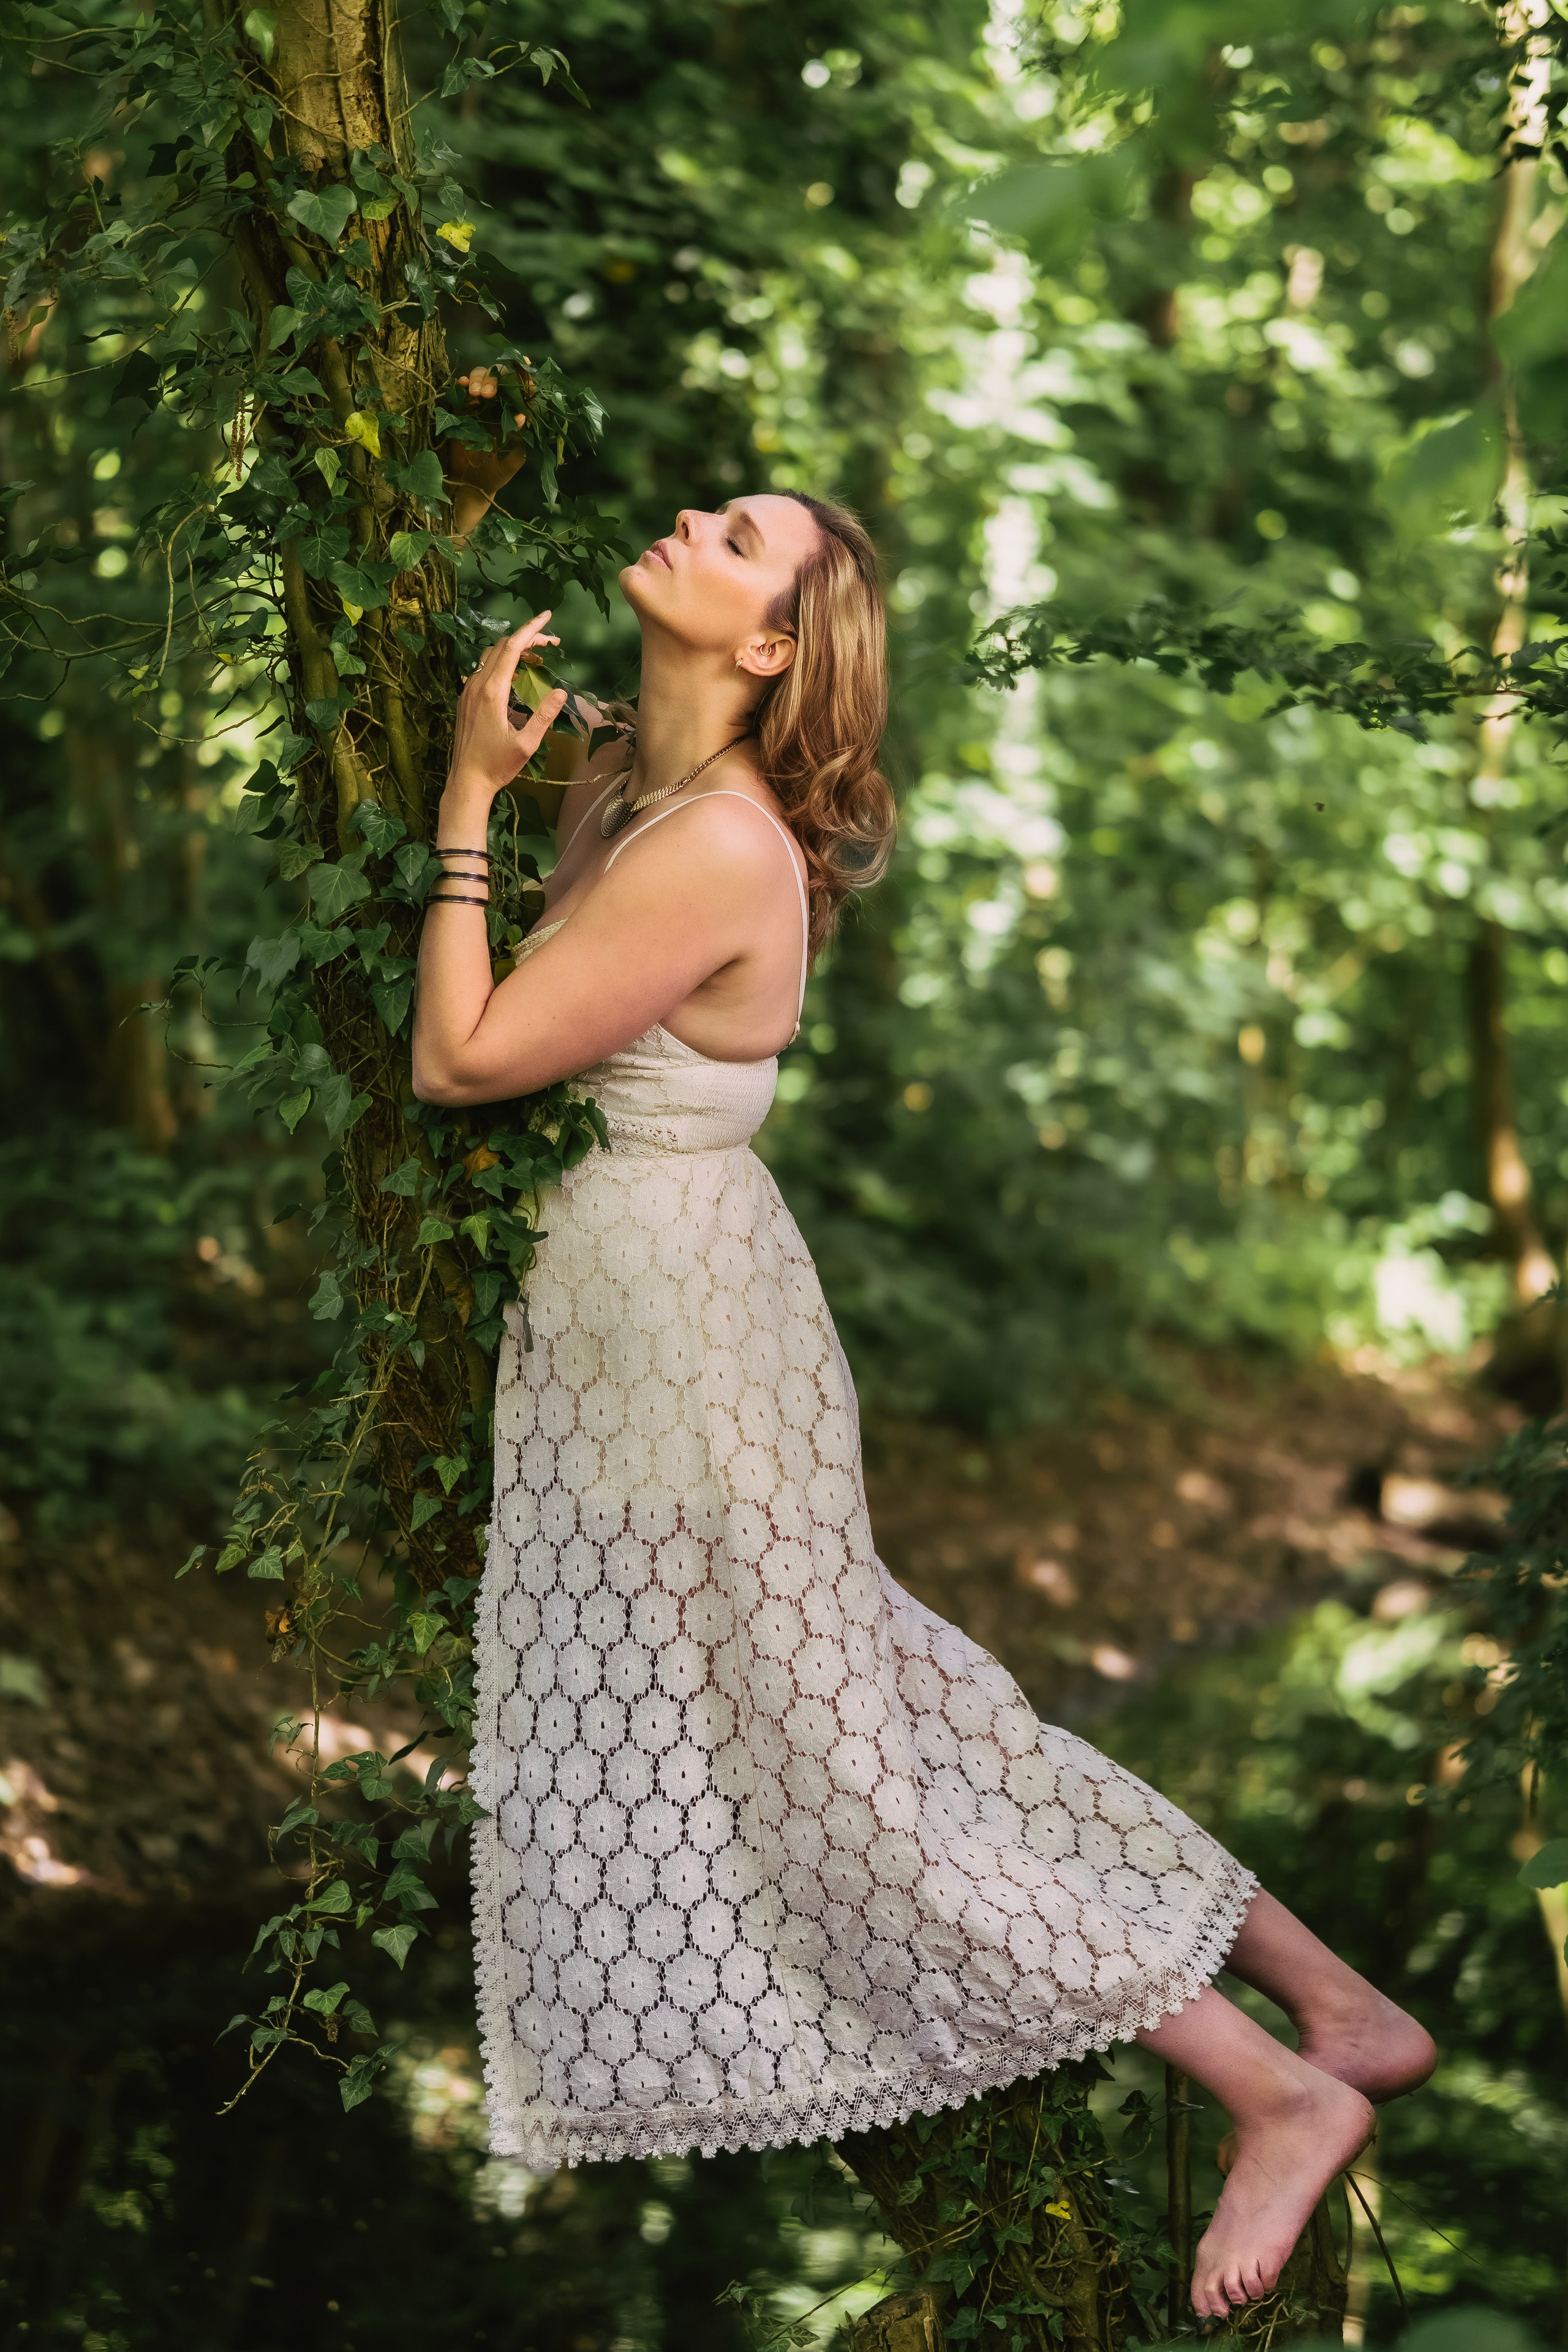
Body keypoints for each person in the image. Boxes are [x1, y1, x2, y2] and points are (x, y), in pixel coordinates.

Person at [413, 372, 1436, 2324]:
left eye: (737, 537)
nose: (693, 522)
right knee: (921, 1714)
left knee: (848, 1780)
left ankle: (1278, 2090)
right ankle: (1337, 1999)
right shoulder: (645, 788)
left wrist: (465, 798)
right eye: (714, 508)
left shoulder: (718, 844)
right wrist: (529, 755)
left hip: (687, 1346)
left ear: (772, 645)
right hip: (676, 1321)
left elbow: (463, 1057)